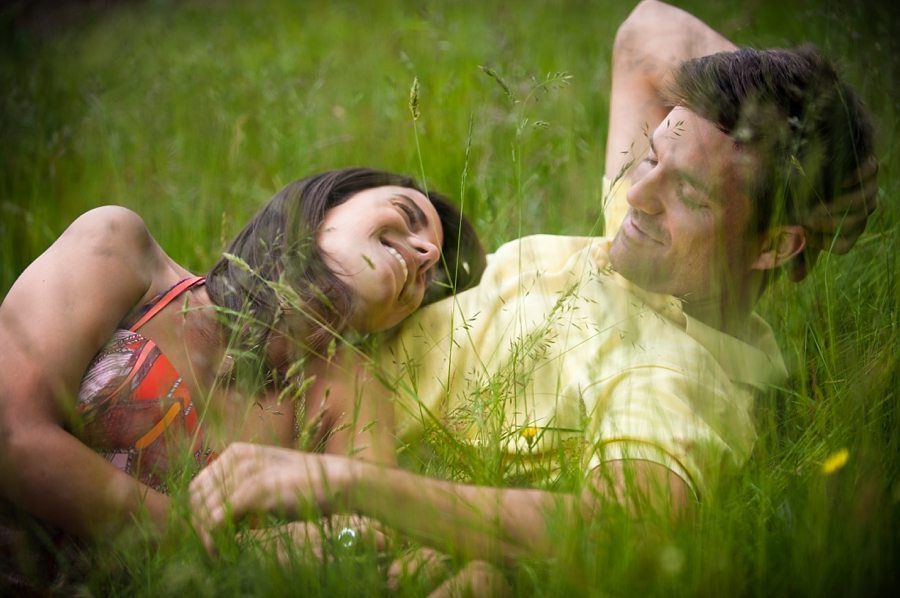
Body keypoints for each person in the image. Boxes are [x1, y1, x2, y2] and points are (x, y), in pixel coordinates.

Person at [188, 0, 879, 589]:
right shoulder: (646, 238)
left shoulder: (673, 376)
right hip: (252, 352)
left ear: (774, 246)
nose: (637, 192)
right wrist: (810, 141)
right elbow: (648, 29)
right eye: (654, 154)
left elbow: (626, 526)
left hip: (270, 456)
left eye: (687, 192)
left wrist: (343, 486)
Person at [0, 167, 487, 588]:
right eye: (407, 214)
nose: (424, 253)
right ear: (325, 206)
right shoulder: (118, 247)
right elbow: (11, 435)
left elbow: (373, 532)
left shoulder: (348, 391)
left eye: (430, 273)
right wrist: (216, 543)